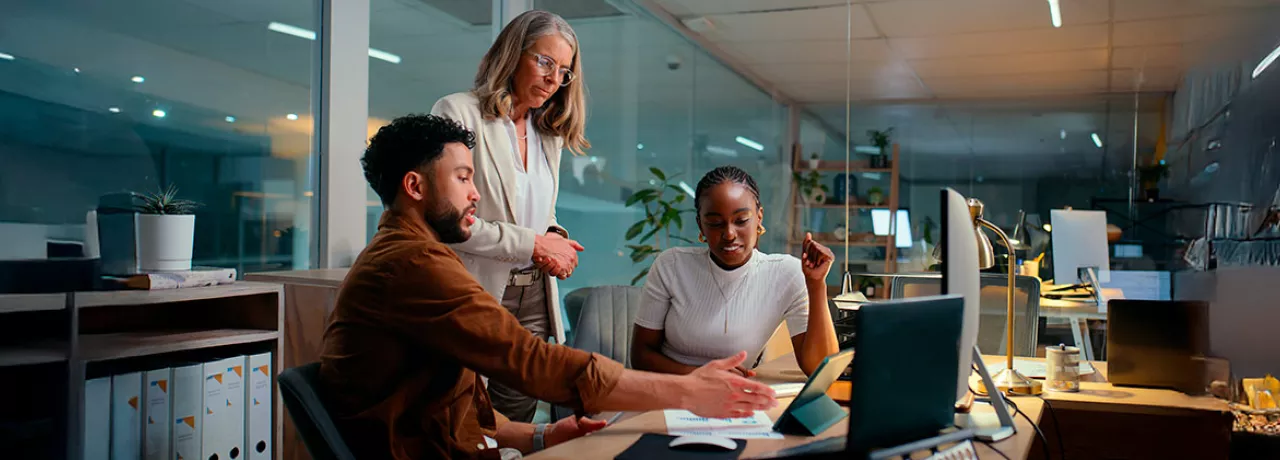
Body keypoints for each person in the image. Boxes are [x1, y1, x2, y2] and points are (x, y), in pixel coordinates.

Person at [320, 114, 777, 459]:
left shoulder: (415, 255)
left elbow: (451, 407)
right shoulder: (410, 264)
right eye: (462, 177)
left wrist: (539, 434)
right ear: (415, 186)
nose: (475, 193)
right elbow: (528, 360)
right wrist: (688, 392)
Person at [430, 10, 587, 422]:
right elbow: (447, 220)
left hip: (534, 293)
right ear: (513, 54)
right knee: (465, 416)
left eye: (564, 71)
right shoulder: (457, 112)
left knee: (517, 416)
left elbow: (538, 212)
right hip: (476, 287)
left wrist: (554, 238)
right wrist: (535, 242)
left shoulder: (546, 133)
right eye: (545, 61)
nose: (554, 79)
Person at [631, 166, 840, 378]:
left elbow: (820, 370)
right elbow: (640, 355)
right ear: (700, 226)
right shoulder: (672, 265)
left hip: (732, 400)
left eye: (741, 221)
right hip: (668, 392)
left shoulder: (786, 274)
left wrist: (816, 285)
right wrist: (700, 376)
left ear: (759, 217)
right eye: (714, 223)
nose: (729, 234)